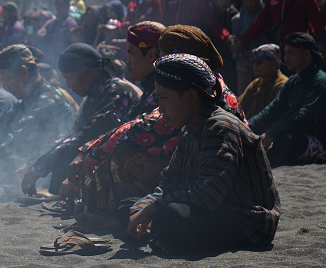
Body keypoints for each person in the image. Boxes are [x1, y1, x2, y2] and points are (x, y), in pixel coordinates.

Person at [73, 24, 246, 232]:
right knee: (136, 204)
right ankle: (125, 217)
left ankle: (120, 221)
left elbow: (145, 127)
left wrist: (89, 152)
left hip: (219, 191)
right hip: (197, 178)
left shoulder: (202, 96)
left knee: (125, 160)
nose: (158, 63)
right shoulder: (204, 87)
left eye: (162, 56)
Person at [125, 53, 280, 254]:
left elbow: (208, 194)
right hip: (214, 211)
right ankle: (167, 238)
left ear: (190, 96)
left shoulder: (220, 126)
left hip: (245, 221)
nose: (160, 108)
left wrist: (154, 210)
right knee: (131, 205)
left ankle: (169, 238)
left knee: (168, 215)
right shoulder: (188, 129)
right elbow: (171, 180)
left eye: (164, 98)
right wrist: (145, 207)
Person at [0, 45, 76, 200]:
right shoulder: (26, 100)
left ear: (23, 72)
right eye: (2, 80)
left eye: (7, 79)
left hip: (50, 169)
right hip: (27, 162)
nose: (5, 86)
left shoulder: (47, 99)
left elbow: (14, 140)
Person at [21, 43, 140, 196]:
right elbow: (73, 135)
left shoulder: (116, 92)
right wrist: (37, 165)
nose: (68, 85)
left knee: (69, 152)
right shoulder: (93, 96)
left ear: (87, 72)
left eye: (69, 78)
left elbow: (87, 135)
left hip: (125, 168)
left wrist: (39, 168)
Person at [249, 33, 326, 166]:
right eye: (285, 53)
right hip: (295, 136)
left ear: (306, 54)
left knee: (283, 140)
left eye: (291, 52)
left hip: (321, 145)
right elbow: (273, 110)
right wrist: (246, 126)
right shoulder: (292, 82)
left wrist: (273, 133)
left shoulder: (321, 81)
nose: (286, 57)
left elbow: (304, 115)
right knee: (266, 139)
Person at [231, 0, 268, 94]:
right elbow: (235, 44)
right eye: (246, 0)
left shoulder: (264, 19)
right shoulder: (236, 20)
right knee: (244, 95)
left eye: (252, 0)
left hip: (262, 62)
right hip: (243, 64)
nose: (248, 3)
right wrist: (245, 62)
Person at [239, 44, 288, 121]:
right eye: (253, 61)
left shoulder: (282, 86)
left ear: (274, 64)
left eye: (259, 61)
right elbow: (238, 106)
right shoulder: (256, 84)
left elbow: (272, 118)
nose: (254, 65)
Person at [35, 0, 78, 68]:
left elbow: (59, 39)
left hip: (62, 63)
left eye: (63, 4)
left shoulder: (70, 23)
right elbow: (38, 35)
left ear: (68, 6)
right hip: (47, 61)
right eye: (58, 4)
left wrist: (47, 35)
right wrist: (52, 35)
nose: (60, 7)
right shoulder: (50, 22)